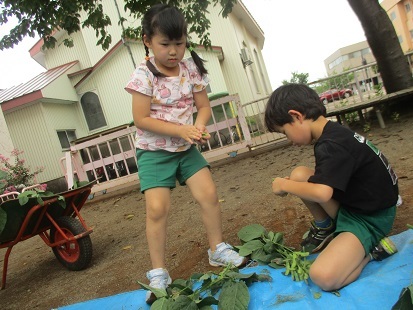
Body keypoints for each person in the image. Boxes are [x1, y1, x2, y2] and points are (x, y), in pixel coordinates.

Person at [124, 4, 247, 304]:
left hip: (185, 149)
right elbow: (141, 119)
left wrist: (198, 127)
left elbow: (203, 107)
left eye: (179, 43)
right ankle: (158, 272)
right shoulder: (144, 74)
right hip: (154, 152)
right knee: (157, 210)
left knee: (209, 195)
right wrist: (181, 130)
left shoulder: (190, 68)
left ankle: (217, 249)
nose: (173, 51)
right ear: (147, 41)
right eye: (165, 44)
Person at [264, 83, 399, 291]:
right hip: (359, 204)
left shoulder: (331, 145)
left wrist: (284, 184)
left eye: (285, 132)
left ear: (297, 116)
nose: (289, 141)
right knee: (300, 174)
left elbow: (322, 192)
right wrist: (293, 182)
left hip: (370, 220)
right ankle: (326, 226)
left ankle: (371, 252)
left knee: (322, 277)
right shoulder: (333, 132)